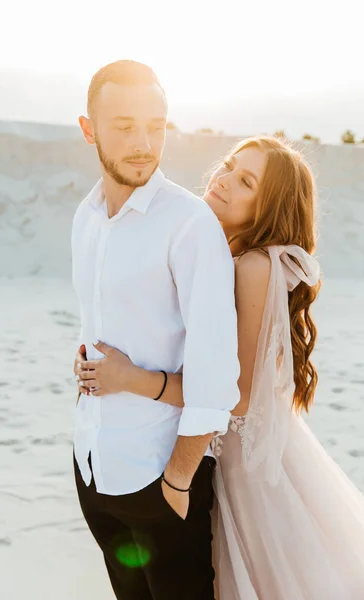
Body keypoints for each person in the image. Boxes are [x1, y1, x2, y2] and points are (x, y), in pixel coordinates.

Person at [76, 136, 364, 599]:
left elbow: (240, 396)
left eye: (246, 181)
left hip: (243, 469)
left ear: (269, 208)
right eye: (229, 166)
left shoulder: (254, 266)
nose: (224, 180)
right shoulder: (222, 252)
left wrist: (131, 380)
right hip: (209, 445)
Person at [71, 60, 240, 600]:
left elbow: (216, 375)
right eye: (124, 126)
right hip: (95, 469)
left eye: (156, 125)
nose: (144, 142)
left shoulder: (188, 224)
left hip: (162, 478)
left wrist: (177, 479)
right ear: (89, 129)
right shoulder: (86, 217)